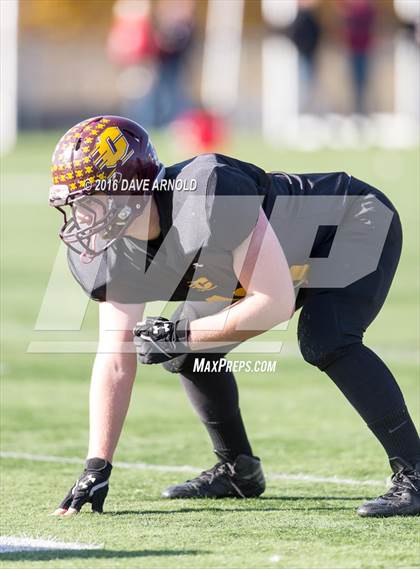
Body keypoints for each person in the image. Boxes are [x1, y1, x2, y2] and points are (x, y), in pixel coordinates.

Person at [49, 116, 419, 518]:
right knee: (183, 350)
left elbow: (272, 302)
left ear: (130, 191)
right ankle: (239, 470)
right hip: (271, 261)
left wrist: (180, 334)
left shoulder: (208, 193)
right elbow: (115, 357)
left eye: (90, 201)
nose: (82, 217)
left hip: (351, 222)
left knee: (327, 339)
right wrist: (96, 465)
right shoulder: (111, 250)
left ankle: (415, 472)